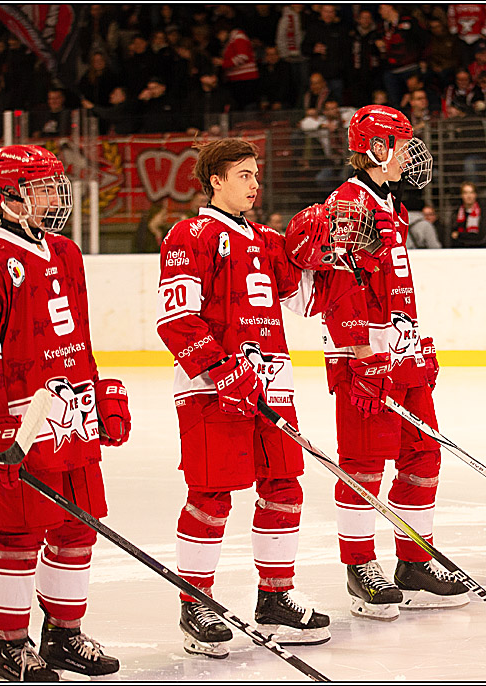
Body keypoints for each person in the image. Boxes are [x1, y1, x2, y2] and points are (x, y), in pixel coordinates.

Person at [156, 138, 330, 658]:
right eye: (244, 175)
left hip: (271, 382)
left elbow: (306, 303)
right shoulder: (190, 234)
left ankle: (275, 596)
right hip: (212, 389)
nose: (256, 184)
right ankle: (197, 601)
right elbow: (177, 318)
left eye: (256, 175)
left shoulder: (269, 239)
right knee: (211, 494)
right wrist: (218, 367)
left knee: (284, 486)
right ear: (215, 180)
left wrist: (324, 257)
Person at [0, 144, 128, 680]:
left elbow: (78, 337)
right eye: (41, 188)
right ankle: (8, 645)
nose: (55, 197)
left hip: (75, 417)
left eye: (57, 186)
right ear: (6, 197)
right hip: (21, 426)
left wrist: (102, 395)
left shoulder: (67, 252)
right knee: (17, 535)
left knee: (78, 529)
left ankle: (64, 636)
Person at [312, 105, 469, 620]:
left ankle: (414, 561)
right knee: (363, 465)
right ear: (377, 146)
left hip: (403, 358)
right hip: (365, 361)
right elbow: (337, 288)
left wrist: (414, 343)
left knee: (423, 455)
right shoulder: (348, 203)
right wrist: (360, 354)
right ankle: (360, 567)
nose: (408, 152)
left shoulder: (389, 204)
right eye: (401, 143)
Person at [450, 182, 486, 248]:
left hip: (480, 249)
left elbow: (481, 236)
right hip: (460, 250)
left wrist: (460, 235)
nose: (469, 196)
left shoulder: (483, 212)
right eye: (465, 193)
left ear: (475, 195)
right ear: (462, 195)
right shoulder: (456, 213)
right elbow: (452, 236)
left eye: (471, 192)